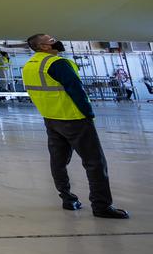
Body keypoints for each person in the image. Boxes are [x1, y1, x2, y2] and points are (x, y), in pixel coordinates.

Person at [21, 34, 128, 219]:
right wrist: (88, 113)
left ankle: (68, 199)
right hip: (74, 118)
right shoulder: (57, 63)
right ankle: (101, 206)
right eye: (52, 39)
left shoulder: (29, 65)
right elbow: (76, 89)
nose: (57, 41)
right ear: (44, 47)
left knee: (58, 161)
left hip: (51, 118)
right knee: (95, 162)